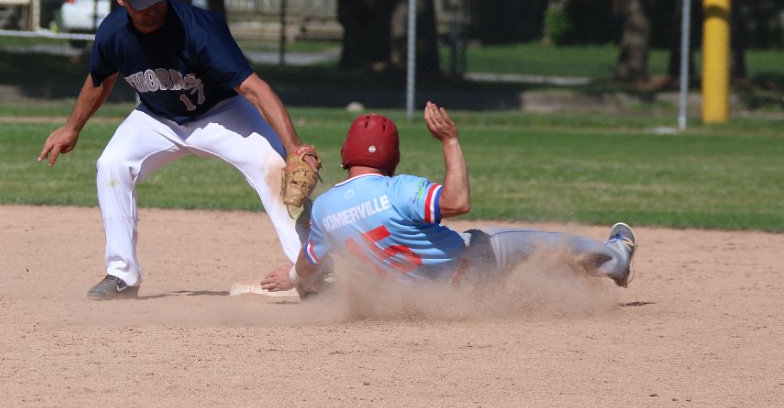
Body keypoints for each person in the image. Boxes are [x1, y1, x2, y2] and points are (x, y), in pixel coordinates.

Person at [38, 0, 318, 300]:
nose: (152, 9)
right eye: (141, 3)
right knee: (112, 164)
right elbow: (100, 78)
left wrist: (294, 147)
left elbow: (254, 89)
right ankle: (121, 275)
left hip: (222, 112)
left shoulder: (200, 28)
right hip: (156, 118)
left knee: (275, 168)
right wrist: (72, 127)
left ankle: (310, 275)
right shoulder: (112, 33)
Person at [262, 102, 637, 297]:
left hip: (424, 301)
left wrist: (292, 278)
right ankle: (617, 258)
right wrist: (450, 141)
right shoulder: (397, 189)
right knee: (545, 245)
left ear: (345, 155)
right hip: (473, 267)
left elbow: (309, 263)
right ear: (393, 158)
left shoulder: (325, 209)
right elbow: (457, 203)